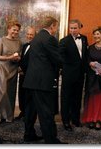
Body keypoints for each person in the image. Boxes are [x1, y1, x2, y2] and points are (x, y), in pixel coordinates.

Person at [23, 16, 66, 144]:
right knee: (46, 112)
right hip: (42, 82)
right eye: (56, 26)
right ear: (52, 25)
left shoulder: (36, 38)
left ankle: (29, 134)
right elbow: (57, 58)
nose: (56, 29)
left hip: (30, 80)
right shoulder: (49, 39)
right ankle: (51, 140)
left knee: (31, 111)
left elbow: (28, 58)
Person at [0, 20, 22, 124]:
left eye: (17, 30)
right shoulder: (2, 40)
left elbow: (20, 55)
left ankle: (8, 116)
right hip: (3, 68)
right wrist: (9, 57)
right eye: (14, 30)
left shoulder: (19, 42)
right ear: (8, 29)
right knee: (2, 92)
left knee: (10, 93)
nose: (15, 32)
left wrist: (18, 58)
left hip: (13, 68)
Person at [59, 19, 88, 131]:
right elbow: (60, 56)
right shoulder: (64, 41)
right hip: (68, 75)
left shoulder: (84, 39)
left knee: (77, 97)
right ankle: (66, 121)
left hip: (80, 74)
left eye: (75, 28)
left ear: (79, 28)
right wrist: (66, 67)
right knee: (66, 98)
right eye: (71, 28)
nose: (73, 30)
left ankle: (76, 120)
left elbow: (84, 56)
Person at [82, 26, 101, 130]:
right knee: (92, 100)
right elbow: (86, 61)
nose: (96, 36)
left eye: (98, 34)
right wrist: (90, 63)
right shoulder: (90, 48)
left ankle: (99, 120)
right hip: (92, 78)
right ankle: (91, 119)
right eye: (94, 34)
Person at [16, 26, 36, 120]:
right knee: (21, 94)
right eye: (28, 34)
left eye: (31, 34)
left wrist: (23, 69)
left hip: (30, 75)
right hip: (22, 75)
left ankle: (27, 114)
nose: (29, 36)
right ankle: (22, 111)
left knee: (28, 96)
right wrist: (19, 67)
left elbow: (33, 62)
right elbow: (23, 59)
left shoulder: (36, 47)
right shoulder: (24, 46)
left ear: (35, 36)